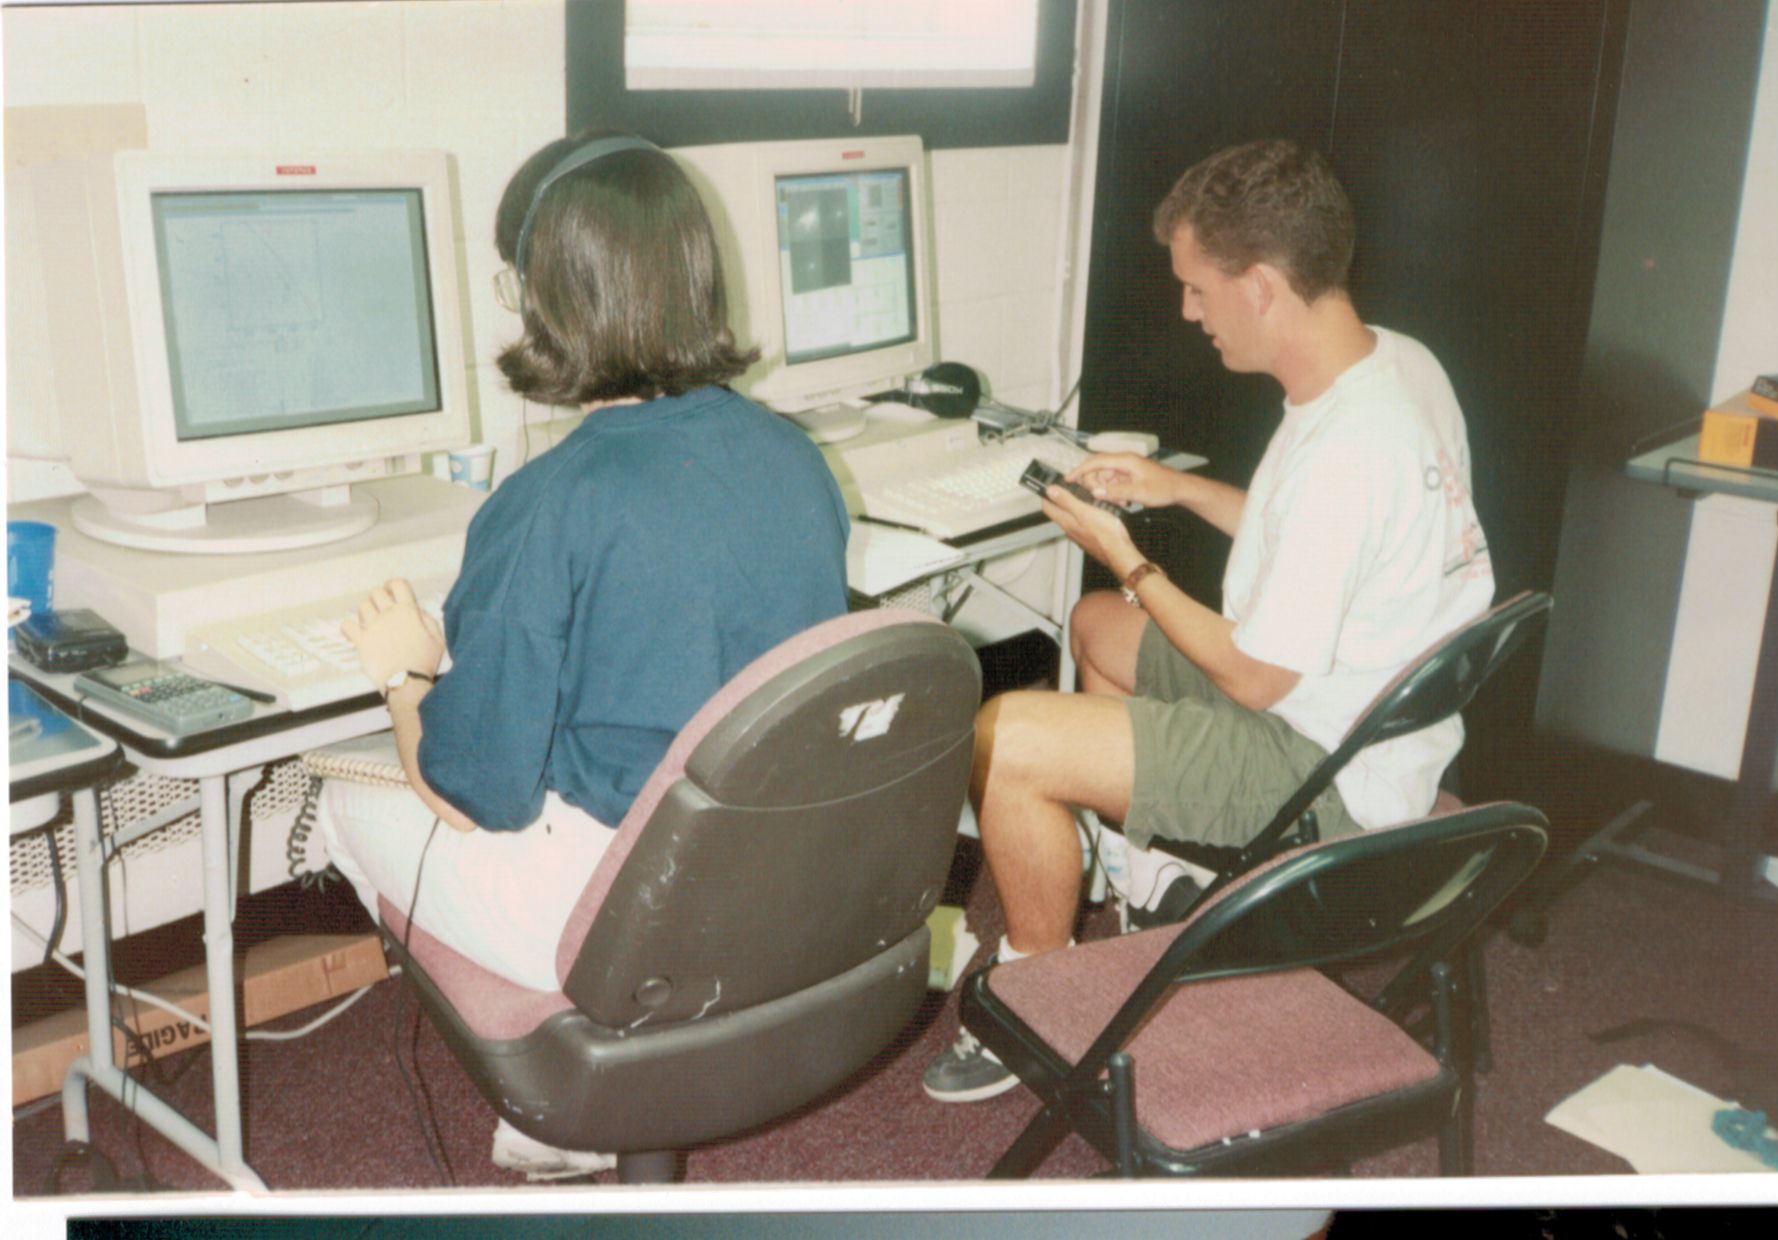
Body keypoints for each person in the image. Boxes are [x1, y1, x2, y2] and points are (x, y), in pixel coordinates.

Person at [319, 132, 851, 1173]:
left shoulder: (547, 502)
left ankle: (567, 1084)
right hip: (781, 892)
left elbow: (472, 795)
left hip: (623, 915)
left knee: (347, 797)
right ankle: (594, 1092)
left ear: (543, 296)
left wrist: (404, 672)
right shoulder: (795, 457)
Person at [923, 139, 1494, 1103]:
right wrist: (1175, 489)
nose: (1189, 312)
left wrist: (1128, 557)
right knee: (1097, 628)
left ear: (1261, 286)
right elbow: (1311, 541)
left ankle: (1031, 999)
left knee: (1005, 737)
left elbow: (1253, 677)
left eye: (1197, 289)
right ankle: (1156, 884)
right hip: (1368, 719)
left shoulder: (1350, 451)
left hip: (1326, 774)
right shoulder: (1396, 365)